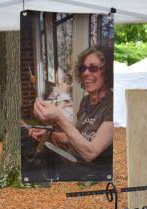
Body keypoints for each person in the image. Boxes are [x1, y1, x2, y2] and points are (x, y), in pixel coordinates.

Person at [29, 46, 114, 179]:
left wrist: (59, 117)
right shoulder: (86, 101)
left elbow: (90, 152)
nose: (86, 73)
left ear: (107, 72)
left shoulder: (112, 105)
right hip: (70, 163)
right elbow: (76, 136)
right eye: (83, 68)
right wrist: (48, 134)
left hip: (90, 176)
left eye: (93, 68)